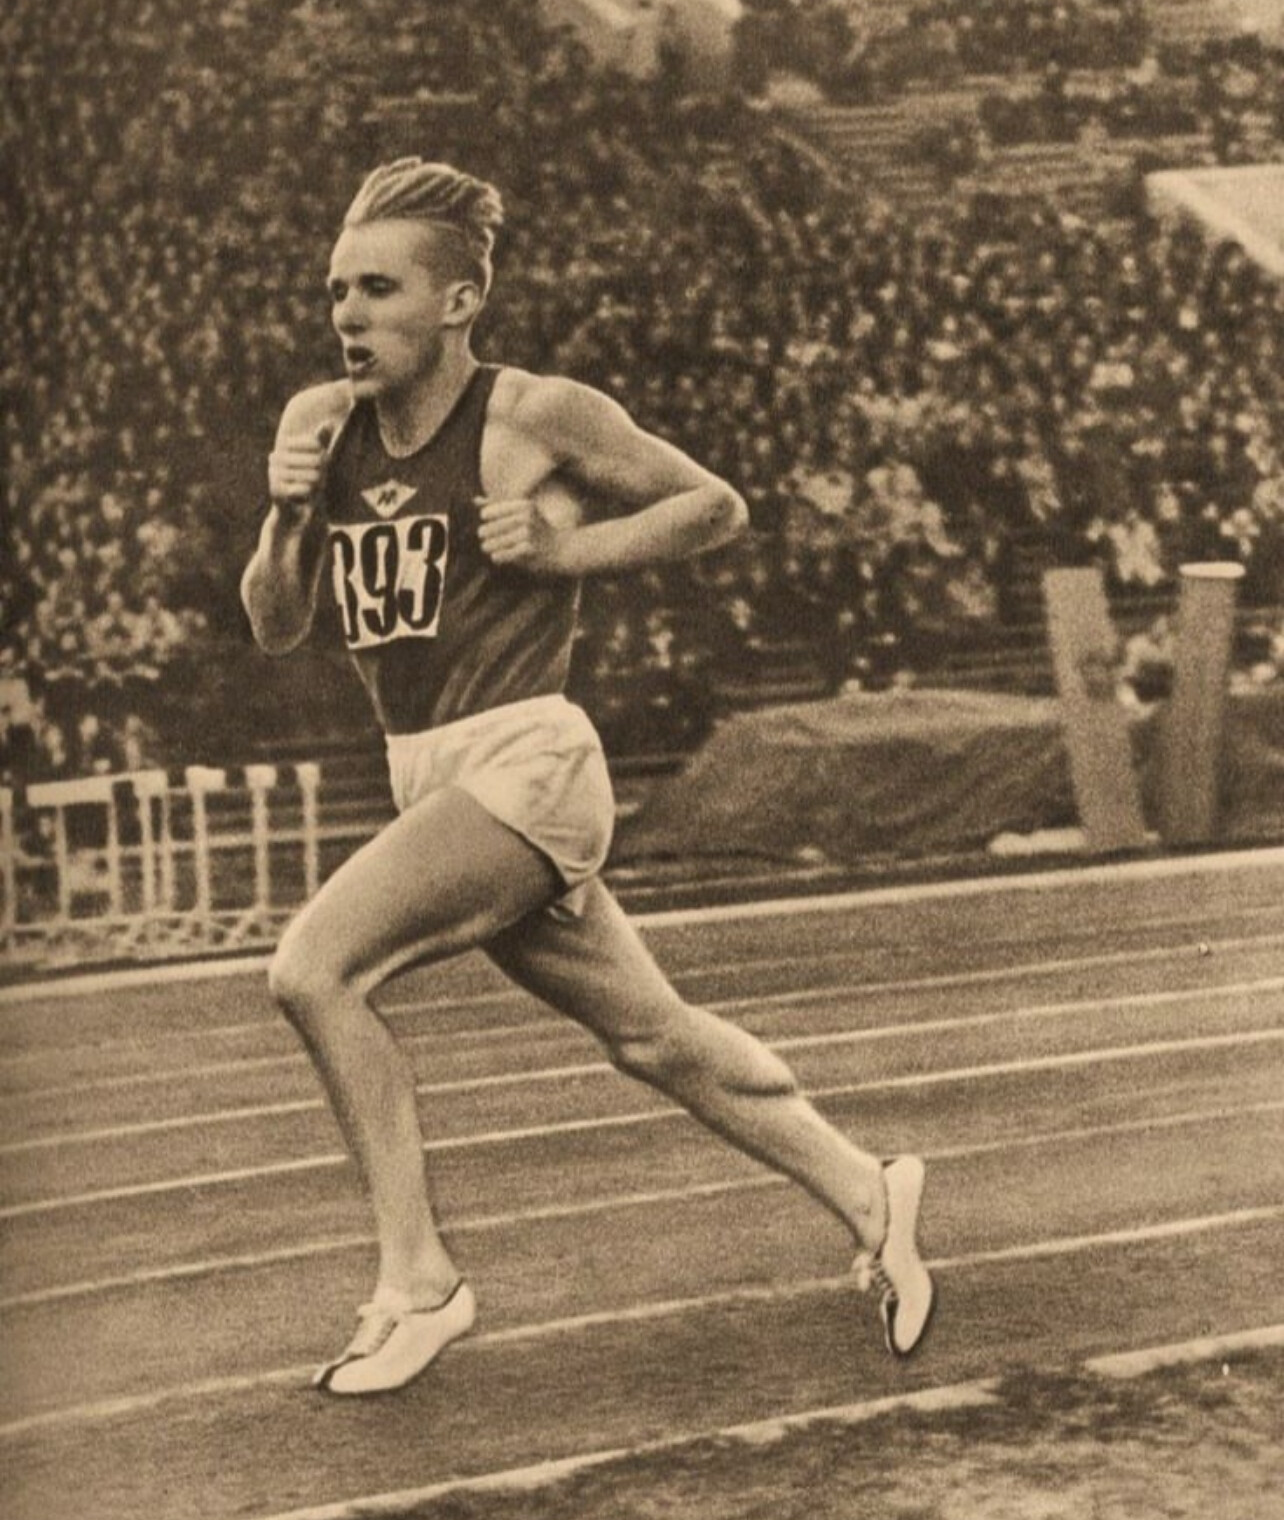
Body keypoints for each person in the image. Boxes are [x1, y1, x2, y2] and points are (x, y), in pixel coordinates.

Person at [241, 158, 936, 1397]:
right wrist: (289, 516)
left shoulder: (534, 413)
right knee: (651, 1035)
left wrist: (567, 550)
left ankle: (419, 1282)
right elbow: (277, 622)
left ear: (459, 301)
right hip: (431, 772)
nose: (347, 313)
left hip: (528, 760)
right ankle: (868, 1188)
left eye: (379, 288)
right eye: (337, 289)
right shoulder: (321, 423)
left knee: (314, 969)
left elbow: (712, 505)